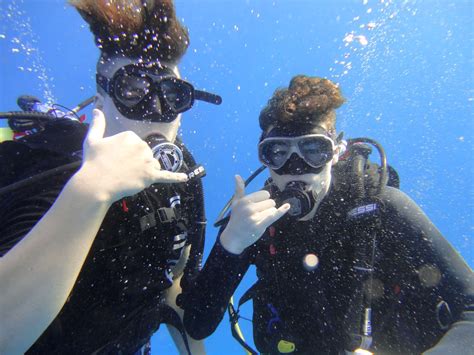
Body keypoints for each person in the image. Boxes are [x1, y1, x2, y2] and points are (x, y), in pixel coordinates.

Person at [180, 75, 474, 354]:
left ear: (336, 151)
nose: (296, 168)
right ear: (264, 160)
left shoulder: (382, 209)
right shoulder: (253, 223)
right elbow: (197, 325)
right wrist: (230, 245)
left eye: (313, 150)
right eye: (278, 153)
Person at [0, 0, 221, 353]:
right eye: (132, 91)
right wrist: (90, 193)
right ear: (100, 103)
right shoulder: (53, 169)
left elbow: (171, 280)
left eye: (172, 96)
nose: (156, 113)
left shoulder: (180, 177)